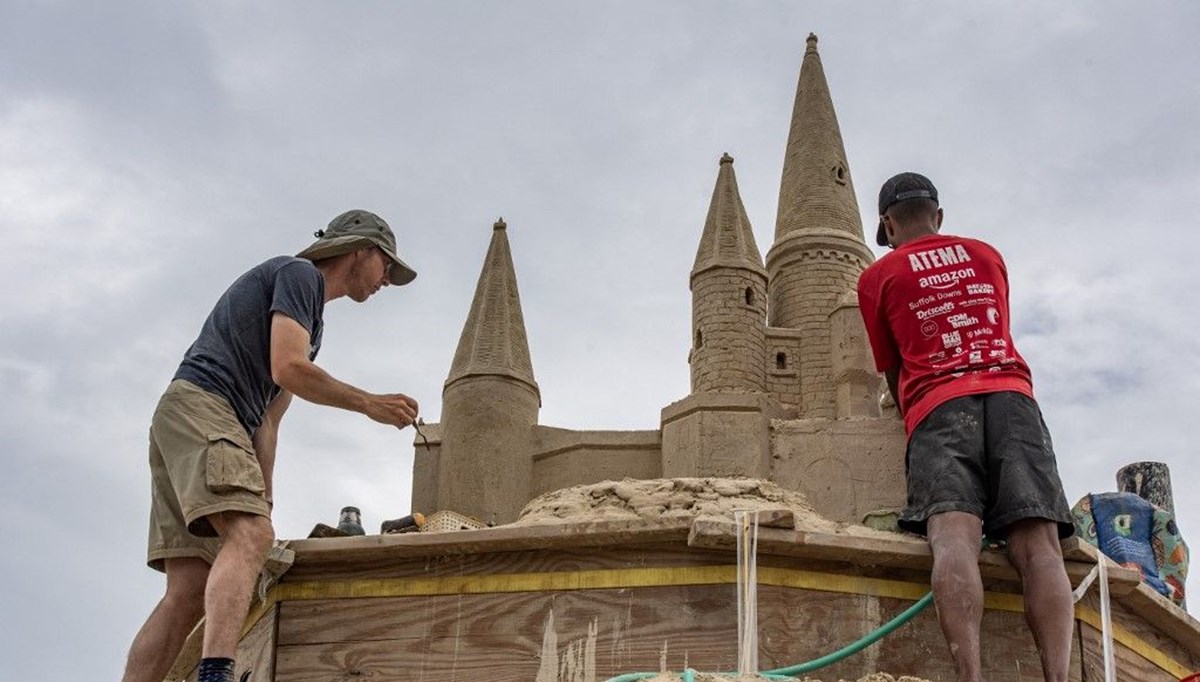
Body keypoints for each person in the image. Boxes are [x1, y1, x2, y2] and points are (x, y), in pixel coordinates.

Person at [122, 209, 421, 682]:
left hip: (188, 417)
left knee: (188, 591)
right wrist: (369, 403)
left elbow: (269, 419)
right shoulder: (299, 275)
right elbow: (289, 369)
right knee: (249, 537)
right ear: (360, 249)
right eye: (387, 264)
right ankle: (216, 673)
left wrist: (264, 499)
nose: (387, 278)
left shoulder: (311, 323)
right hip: (207, 406)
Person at [856, 173, 1075, 682]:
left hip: (938, 402)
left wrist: (912, 408)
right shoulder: (986, 255)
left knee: (954, 535)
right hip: (1012, 397)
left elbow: (892, 368)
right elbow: (995, 325)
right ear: (938, 215)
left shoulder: (878, 277)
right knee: (1038, 543)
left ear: (888, 225)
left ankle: (970, 676)